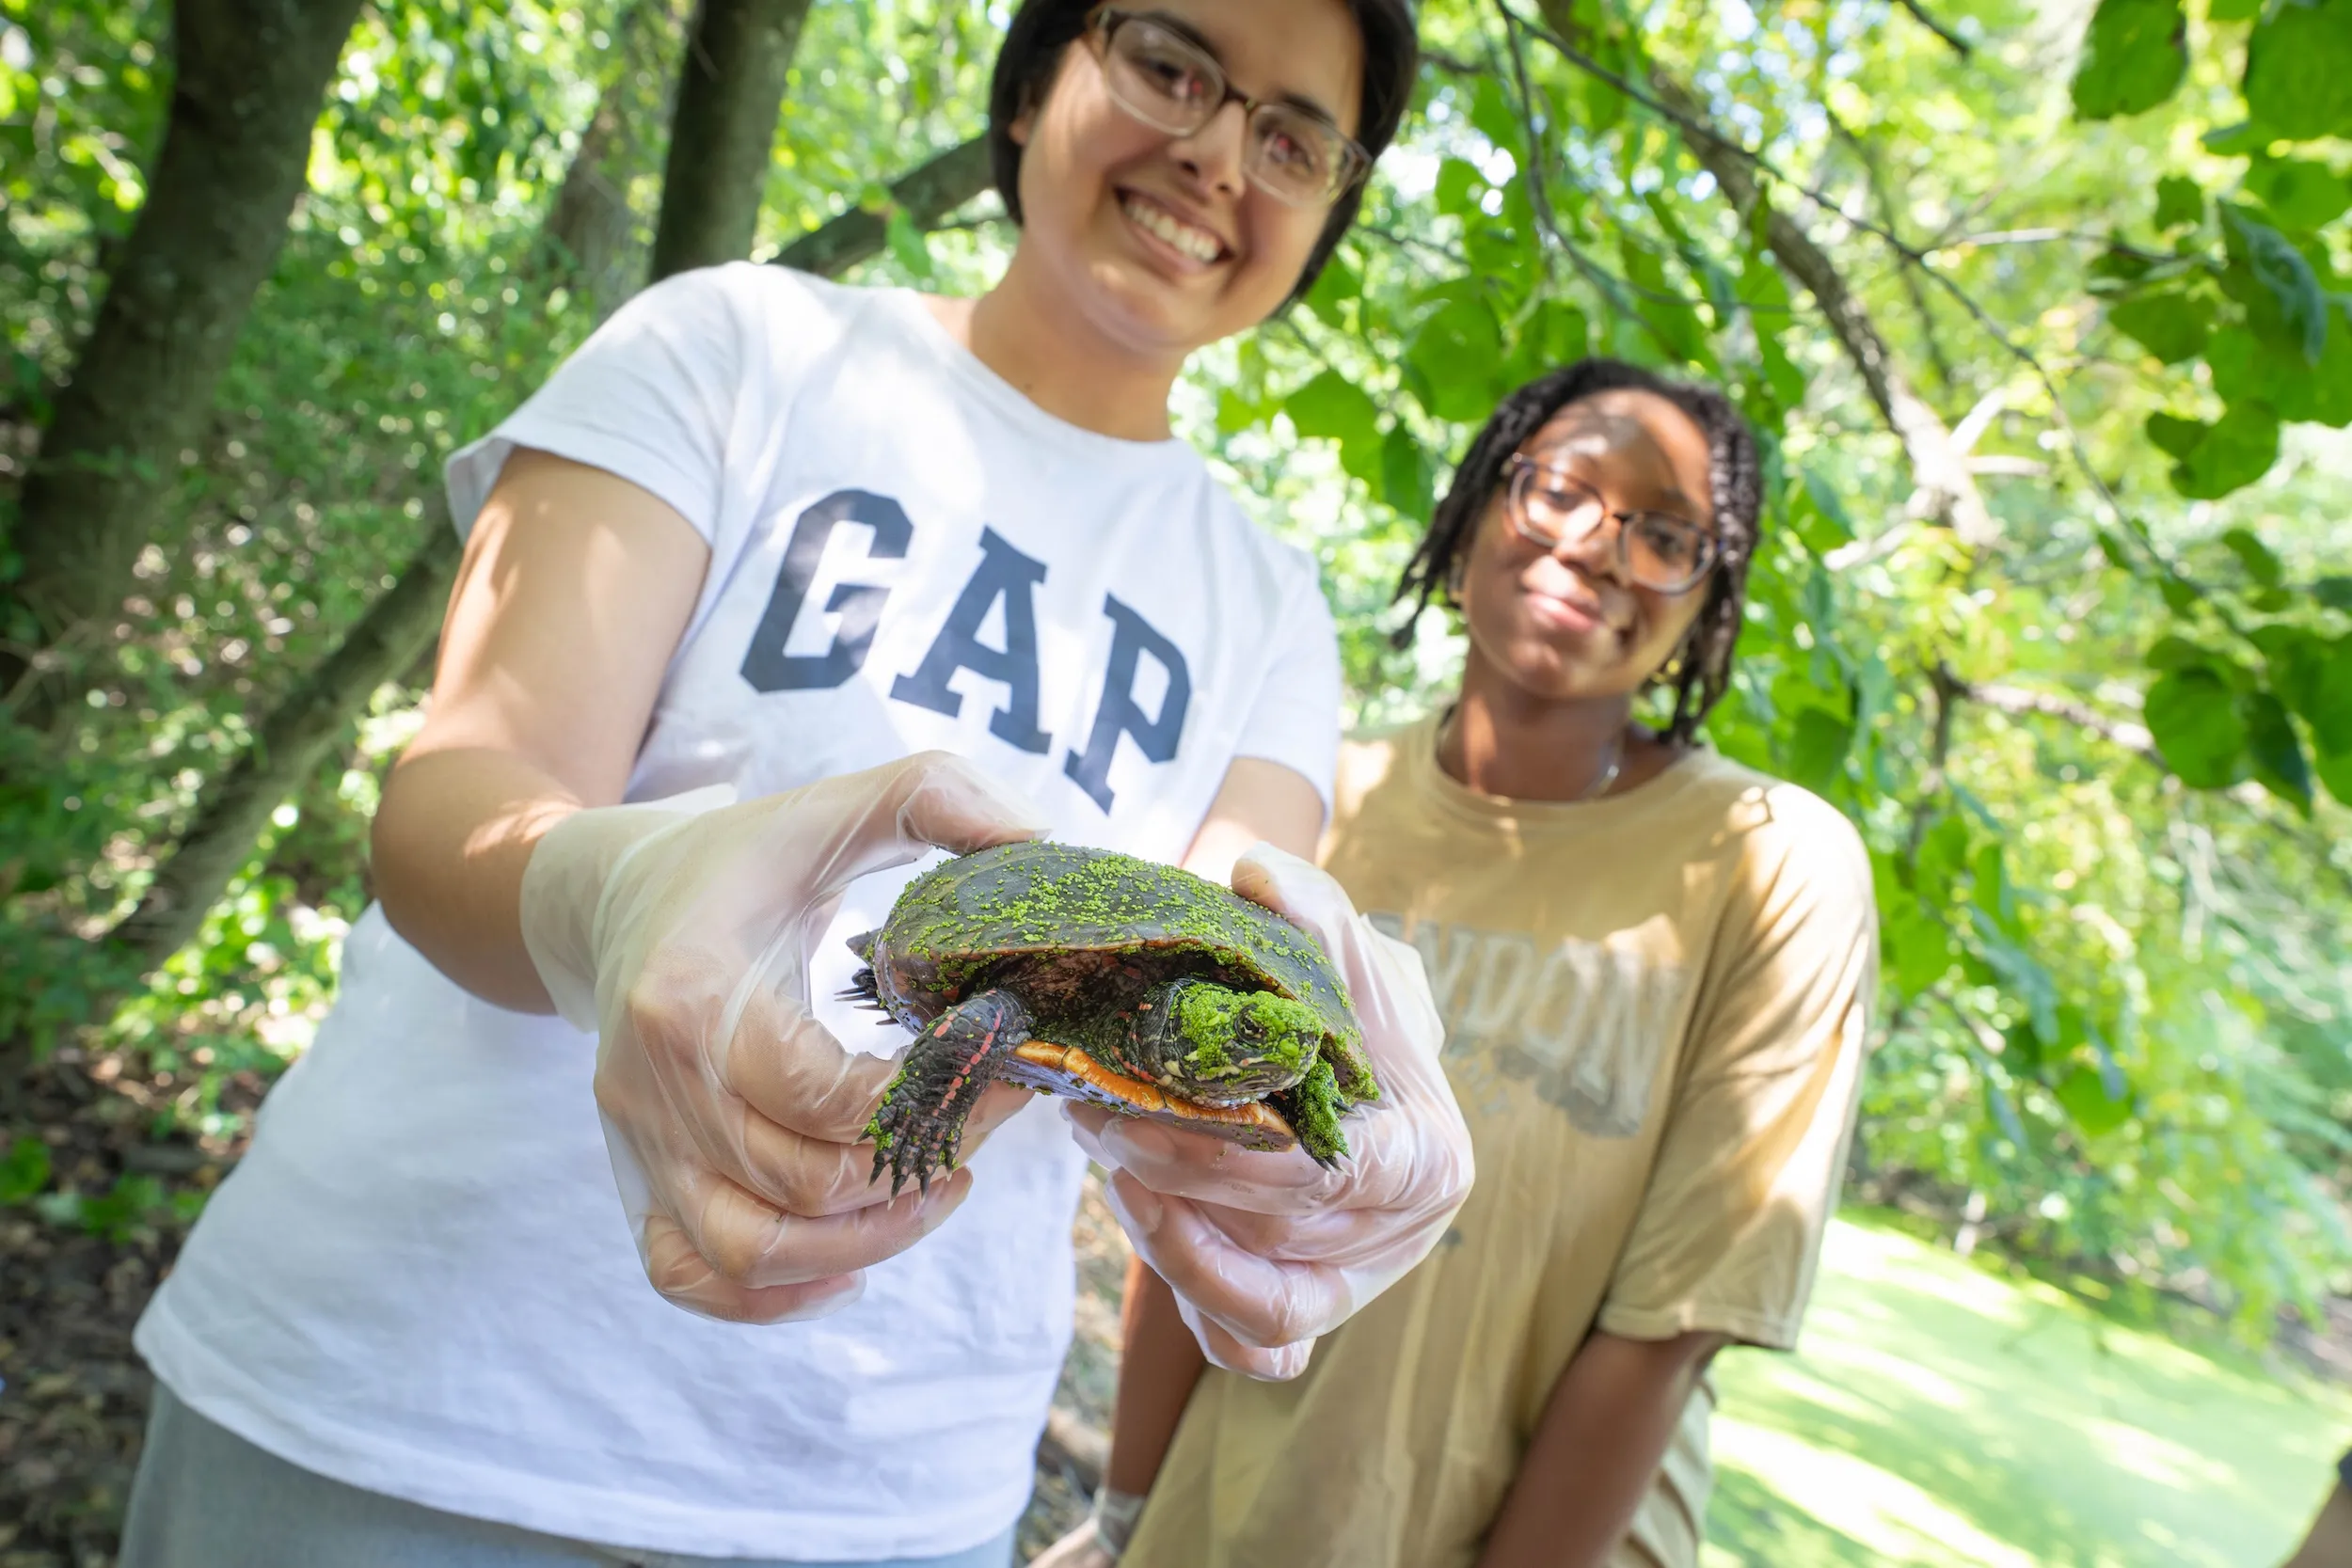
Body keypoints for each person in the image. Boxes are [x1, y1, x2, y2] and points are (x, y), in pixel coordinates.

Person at [118, 2, 1474, 1563]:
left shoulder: (1271, 604)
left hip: (887, 1490)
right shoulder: (739, 341)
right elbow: (455, 801)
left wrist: (1333, 1130)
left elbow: (1246, 931)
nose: (1221, 153)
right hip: (403, 1392)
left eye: (1295, 134)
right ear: (1037, 79)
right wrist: (604, 892)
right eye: (1172, 63)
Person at [1039, 360, 1880, 1567]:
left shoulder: (1774, 866)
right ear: (1484, 495)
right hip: (1223, 1523)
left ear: (1711, 597)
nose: (1598, 546)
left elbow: (1667, 1327)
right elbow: (1200, 1192)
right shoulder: (1322, 797)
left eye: (1665, 536)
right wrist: (1123, 1515)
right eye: (1563, 490)